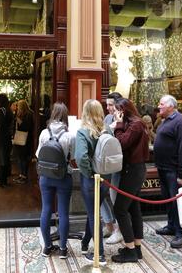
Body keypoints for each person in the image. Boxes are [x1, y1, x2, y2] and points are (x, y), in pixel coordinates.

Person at [110, 98, 150, 263]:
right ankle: (137, 248)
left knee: (120, 209)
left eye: (117, 109)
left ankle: (130, 250)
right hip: (134, 169)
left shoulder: (136, 124)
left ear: (124, 110)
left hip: (133, 170)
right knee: (133, 208)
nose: (114, 112)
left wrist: (118, 125)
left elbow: (122, 143)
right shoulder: (134, 123)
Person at [36, 102, 75, 258]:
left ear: (52, 115)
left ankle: (47, 247)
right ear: (65, 116)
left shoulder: (44, 133)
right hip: (64, 177)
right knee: (63, 212)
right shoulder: (70, 136)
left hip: (46, 177)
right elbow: (73, 157)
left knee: (46, 210)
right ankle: (63, 249)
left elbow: (38, 154)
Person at [152, 95, 182, 249]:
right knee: (168, 199)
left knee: (177, 202)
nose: (159, 106)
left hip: (173, 170)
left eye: (161, 104)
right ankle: (171, 226)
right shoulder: (166, 120)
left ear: (170, 106)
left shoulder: (180, 121)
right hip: (163, 167)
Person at [74, 99, 109, 265]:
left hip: (91, 179)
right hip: (106, 178)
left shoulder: (83, 132)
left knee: (94, 214)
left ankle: (99, 254)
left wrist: (89, 173)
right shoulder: (107, 129)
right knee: (93, 211)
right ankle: (85, 243)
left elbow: (80, 157)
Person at [101, 92, 123, 244]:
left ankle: (119, 230)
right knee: (100, 194)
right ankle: (109, 224)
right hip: (105, 163)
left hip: (119, 165)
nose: (108, 108)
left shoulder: (125, 120)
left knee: (115, 197)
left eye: (111, 105)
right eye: (107, 104)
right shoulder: (108, 118)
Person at [13, 99, 34, 184]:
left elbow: (27, 127)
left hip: (25, 139)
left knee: (23, 158)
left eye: (18, 105)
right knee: (19, 158)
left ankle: (24, 176)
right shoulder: (21, 114)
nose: (17, 107)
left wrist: (19, 121)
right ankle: (21, 175)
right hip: (20, 138)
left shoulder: (29, 114)